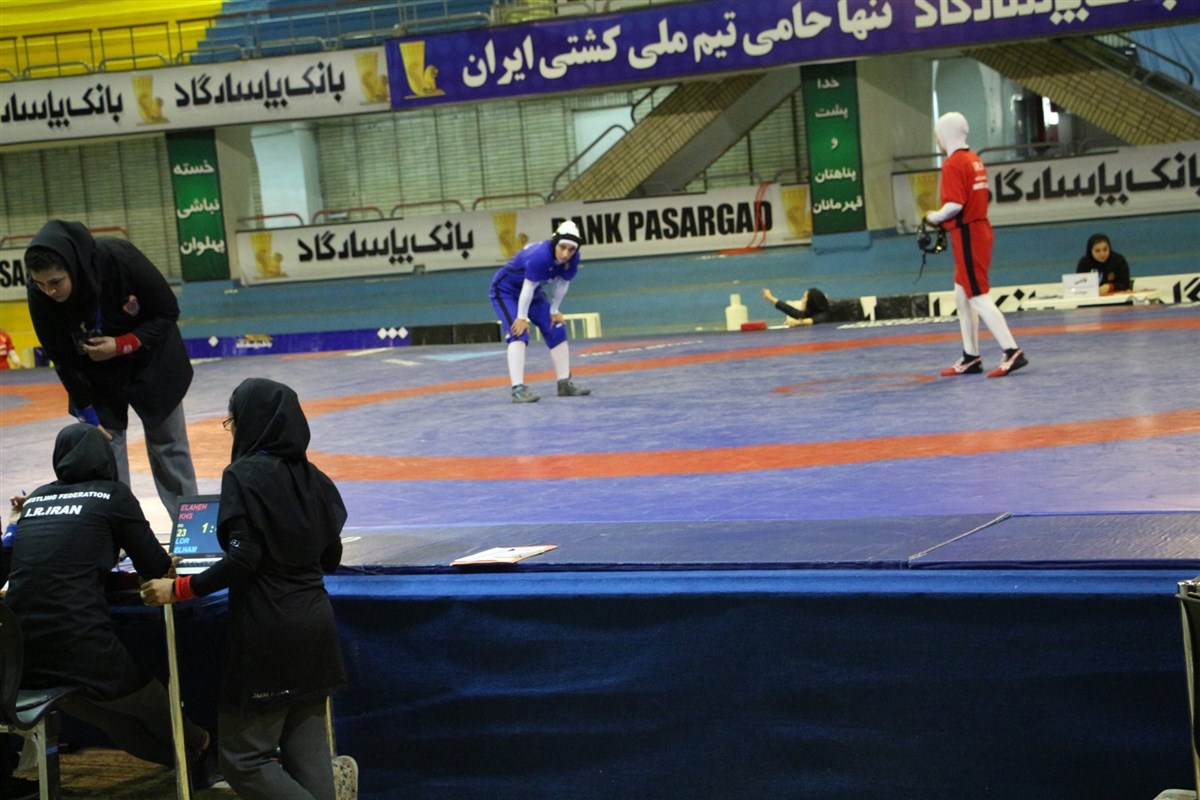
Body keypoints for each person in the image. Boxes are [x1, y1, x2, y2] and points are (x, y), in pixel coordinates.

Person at [142, 378, 348, 800]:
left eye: (232, 420)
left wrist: (178, 589)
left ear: (253, 421)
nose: (232, 429)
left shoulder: (243, 475)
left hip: (270, 630)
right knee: (308, 757)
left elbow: (243, 559)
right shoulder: (318, 479)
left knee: (243, 759)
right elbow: (331, 557)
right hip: (317, 627)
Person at [3, 424, 217, 790]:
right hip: (80, 644)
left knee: (114, 721)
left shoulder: (35, 499)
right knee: (146, 698)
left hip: (23, 656)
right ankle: (204, 746)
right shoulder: (112, 495)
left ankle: (196, 763)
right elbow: (154, 565)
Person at [24, 220, 197, 519]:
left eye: (55, 282)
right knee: (106, 451)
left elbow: (168, 311)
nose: (48, 291)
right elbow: (60, 356)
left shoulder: (120, 259)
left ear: (74, 266)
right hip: (94, 373)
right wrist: (87, 413)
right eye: (40, 283)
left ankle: (189, 525)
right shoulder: (40, 292)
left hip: (152, 359)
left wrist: (121, 344)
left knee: (168, 444)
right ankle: (120, 531)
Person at [924, 112, 1028, 378]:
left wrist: (933, 217)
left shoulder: (953, 164)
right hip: (978, 229)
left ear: (945, 134)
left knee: (978, 296)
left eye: (937, 134)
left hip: (968, 233)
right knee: (962, 295)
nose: (937, 140)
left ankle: (1011, 350)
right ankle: (971, 356)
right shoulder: (974, 159)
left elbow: (955, 204)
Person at [488, 220, 591, 403]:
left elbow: (563, 283)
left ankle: (564, 383)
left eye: (571, 250)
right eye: (562, 247)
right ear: (555, 243)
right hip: (506, 291)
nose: (565, 254)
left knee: (556, 327)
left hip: (532, 291)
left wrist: (554, 310)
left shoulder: (573, 258)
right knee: (518, 332)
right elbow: (527, 287)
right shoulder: (540, 255)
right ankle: (518, 389)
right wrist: (521, 318)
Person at [761, 287, 831, 326]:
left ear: (811, 302)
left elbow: (815, 320)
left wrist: (797, 322)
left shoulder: (825, 314)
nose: (802, 300)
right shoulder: (812, 313)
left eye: (804, 297)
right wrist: (771, 298)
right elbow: (792, 311)